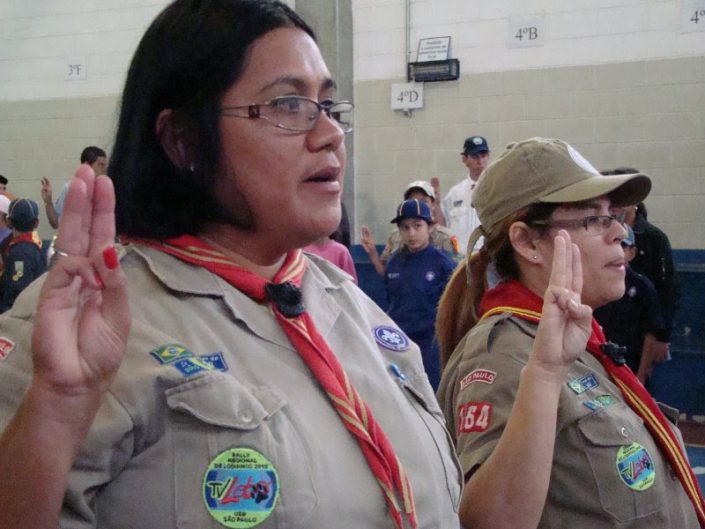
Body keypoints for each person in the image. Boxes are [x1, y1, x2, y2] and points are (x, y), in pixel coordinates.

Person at [0, 2, 461, 529]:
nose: (330, 132)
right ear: (184, 141)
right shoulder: (87, 326)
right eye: (289, 105)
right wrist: (58, 407)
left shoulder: (348, 304)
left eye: (329, 105)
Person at [435, 137, 704, 529]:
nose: (620, 234)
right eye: (593, 219)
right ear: (528, 243)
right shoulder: (505, 353)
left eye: (614, 215)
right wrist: (543, 375)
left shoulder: (581, 341)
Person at [385, 199, 456, 390]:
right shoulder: (393, 263)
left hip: (431, 345)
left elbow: (455, 307)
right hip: (401, 343)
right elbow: (391, 302)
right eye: (405, 228)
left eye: (418, 226)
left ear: (430, 227)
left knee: (432, 393)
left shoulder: (443, 264)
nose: (412, 233)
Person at [594, 225, 667, 385]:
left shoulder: (642, 286)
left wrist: (641, 375)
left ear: (632, 252)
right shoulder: (592, 282)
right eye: (612, 244)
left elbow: (651, 333)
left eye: (622, 245)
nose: (617, 251)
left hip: (629, 366)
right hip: (597, 366)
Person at [361, 180, 459, 276]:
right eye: (412, 201)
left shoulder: (445, 237)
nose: (417, 206)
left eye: (423, 201)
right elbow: (386, 272)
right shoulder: (396, 236)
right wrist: (373, 253)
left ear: (433, 204)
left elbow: (456, 276)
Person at [441, 135, 490, 254]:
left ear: (488, 156)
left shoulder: (497, 189)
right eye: (474, 156)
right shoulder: (455, 193)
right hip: (461, 257)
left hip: (488, 257)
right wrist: (436, 204)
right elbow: (443, 225)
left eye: (483, 155)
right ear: (464, 159)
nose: (479, 160)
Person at [41, 146, 108, 229]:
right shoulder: (70, 188)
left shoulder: (106, 190)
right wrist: (48, 202)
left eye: (105, 166)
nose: (104, 170)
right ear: (86, 166)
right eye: (100, 165)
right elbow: (56, 223)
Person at [0, 199, 47, 313]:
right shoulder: (37, 245)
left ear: (9, 221)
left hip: (16, 318)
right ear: (36, 222)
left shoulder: (20, 254)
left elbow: (17, 292)